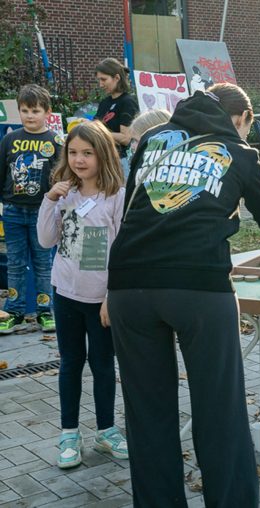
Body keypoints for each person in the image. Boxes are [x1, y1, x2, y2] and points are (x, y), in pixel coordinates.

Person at [106, 84, 260, 507]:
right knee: (219, 412)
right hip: (199, 288)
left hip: (128, 286)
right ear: (242, 119)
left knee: (147, 415)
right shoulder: (241, 153)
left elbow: (134, 206)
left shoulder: (155, 139)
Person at [36, 121, 128, 469]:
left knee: (103, 365)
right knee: (70, 363)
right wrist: (50, 200)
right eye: (73, 152)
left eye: (87, 153)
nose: (79, 159)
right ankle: (69, 433)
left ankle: (106, 430)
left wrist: (111, 296)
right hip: (65, 293)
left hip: (101, 300)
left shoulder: (116, 196)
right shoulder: (64, 193)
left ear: (102, 154)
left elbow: (121, 251)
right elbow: (46, 240)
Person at [0, 84, 60, 333]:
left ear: (47, 111)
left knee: (43, 262)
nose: (29, 116)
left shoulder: (55, 141)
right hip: (13, 210)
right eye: (24, 110)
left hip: (42, 212)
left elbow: (60, 175)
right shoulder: (10, 139)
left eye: (35, 110)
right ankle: (14, 310)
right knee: (14, 262)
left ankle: (45, 311)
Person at [94, 58, 139, 175]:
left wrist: (98, 132)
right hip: (102, 159)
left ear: (117, 78)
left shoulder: (128, 102)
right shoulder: (105, 102)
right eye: (99, 80)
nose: (100, 84)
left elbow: (125, 138)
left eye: (104, 79)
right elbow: (96, 125)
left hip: (120, 161)